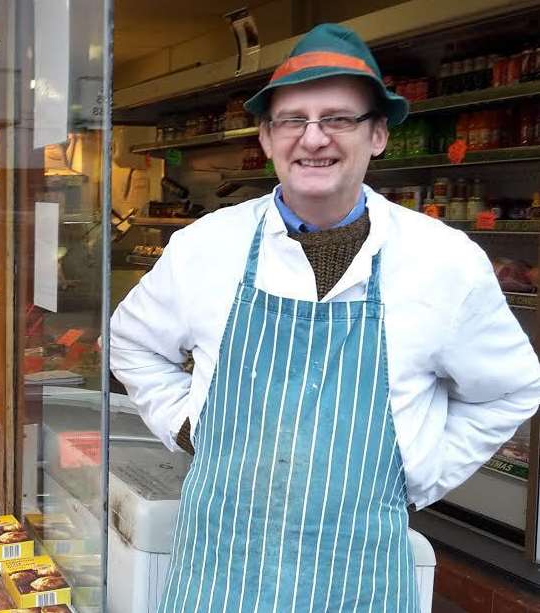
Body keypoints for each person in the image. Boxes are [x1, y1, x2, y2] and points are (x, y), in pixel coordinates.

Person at [110, 23, 540, 612]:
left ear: (379, 134)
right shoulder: (207, 247)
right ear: (266, 138)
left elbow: (510, 389)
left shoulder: (444, 262)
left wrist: (421, 473)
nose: (313, 139)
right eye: (293, 119)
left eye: (338, 118)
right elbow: (131, 342)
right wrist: (187, 426)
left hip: (361, 576)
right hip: (219, 571)